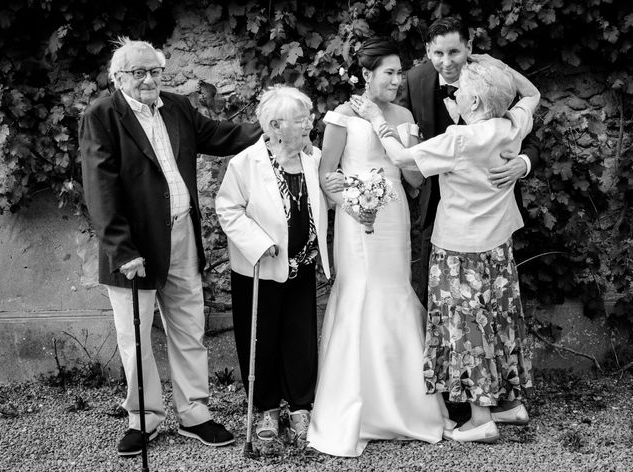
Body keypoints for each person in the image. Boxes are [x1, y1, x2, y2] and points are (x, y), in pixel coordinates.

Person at [79, 37, 261, 456]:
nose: (148, 79)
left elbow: (219, 135)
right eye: (138, 72)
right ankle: (143, 420)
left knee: (188, 328)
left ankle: (195, 414)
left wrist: (267, 129)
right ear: (118, 77)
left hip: (181, 236)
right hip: (134, 247)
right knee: (135, 336)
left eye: (155, 71)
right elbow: (99, 189)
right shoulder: (103, 115)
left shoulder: (176, 106)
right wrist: (121, 250)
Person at [350, 53, 539, 443]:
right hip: (497, 248)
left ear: (473, 102)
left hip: (459, 252)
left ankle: (480, 418)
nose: (455, 93)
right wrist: (499, 67)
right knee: (497, 319)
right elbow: (532, 93)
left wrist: (376, 119)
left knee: (467, 328)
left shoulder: (460, 139)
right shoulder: (511, 125)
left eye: (462, 91)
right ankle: (508, 404)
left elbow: (403, 158)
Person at [306, 38, 447, 457]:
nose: (397, 79)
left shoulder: (404, 115)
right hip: (356, 224)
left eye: (400, 72)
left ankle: (405, 405)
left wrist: (387, 133)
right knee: (361, 294)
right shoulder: (339, 118)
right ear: (366, 75)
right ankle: (357, 407)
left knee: (394, 291)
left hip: (395, 217)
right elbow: (326, 176)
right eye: (388, 72)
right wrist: (356, 202)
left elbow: (417, 179)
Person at [215, 85, 331, 442]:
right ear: (277, 126)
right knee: (260, 339)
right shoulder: (246, 163)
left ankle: (300, 408)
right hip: (260, 269)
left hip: (302, 265)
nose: (309, 124)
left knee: (300, 338)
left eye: (307, 117)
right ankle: (266, 411)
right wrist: (258, 243)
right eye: (301, 120)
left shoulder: (314, 158)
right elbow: (227, 208)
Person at [399, 16, 540, 299]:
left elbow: (532, 136)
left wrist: (522, 164)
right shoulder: (414, 81)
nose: (446, 62)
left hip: (490, 212)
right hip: (436, 207)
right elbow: (404, 126)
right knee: (433, 290)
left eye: (454, 52)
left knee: (491, 294)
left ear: (470, 47)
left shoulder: (493, 78)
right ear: (428, 51)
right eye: (438, 53)